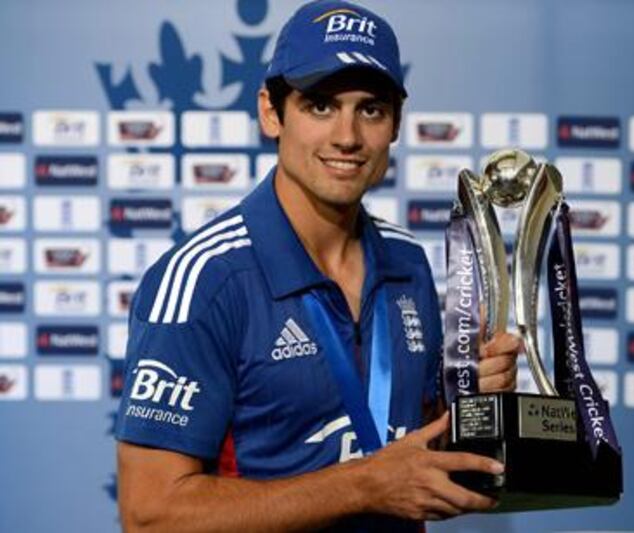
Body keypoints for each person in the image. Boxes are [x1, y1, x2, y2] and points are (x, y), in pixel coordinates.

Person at [115, 1, 520, 530]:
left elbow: (410, 444)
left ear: (396, 122)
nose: (347, 136)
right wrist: (365, 483)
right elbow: (151, 516)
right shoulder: (203, 280)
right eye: (321, 105)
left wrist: (471, 399)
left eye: (370, 109)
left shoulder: (408, 263)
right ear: (271, 111)